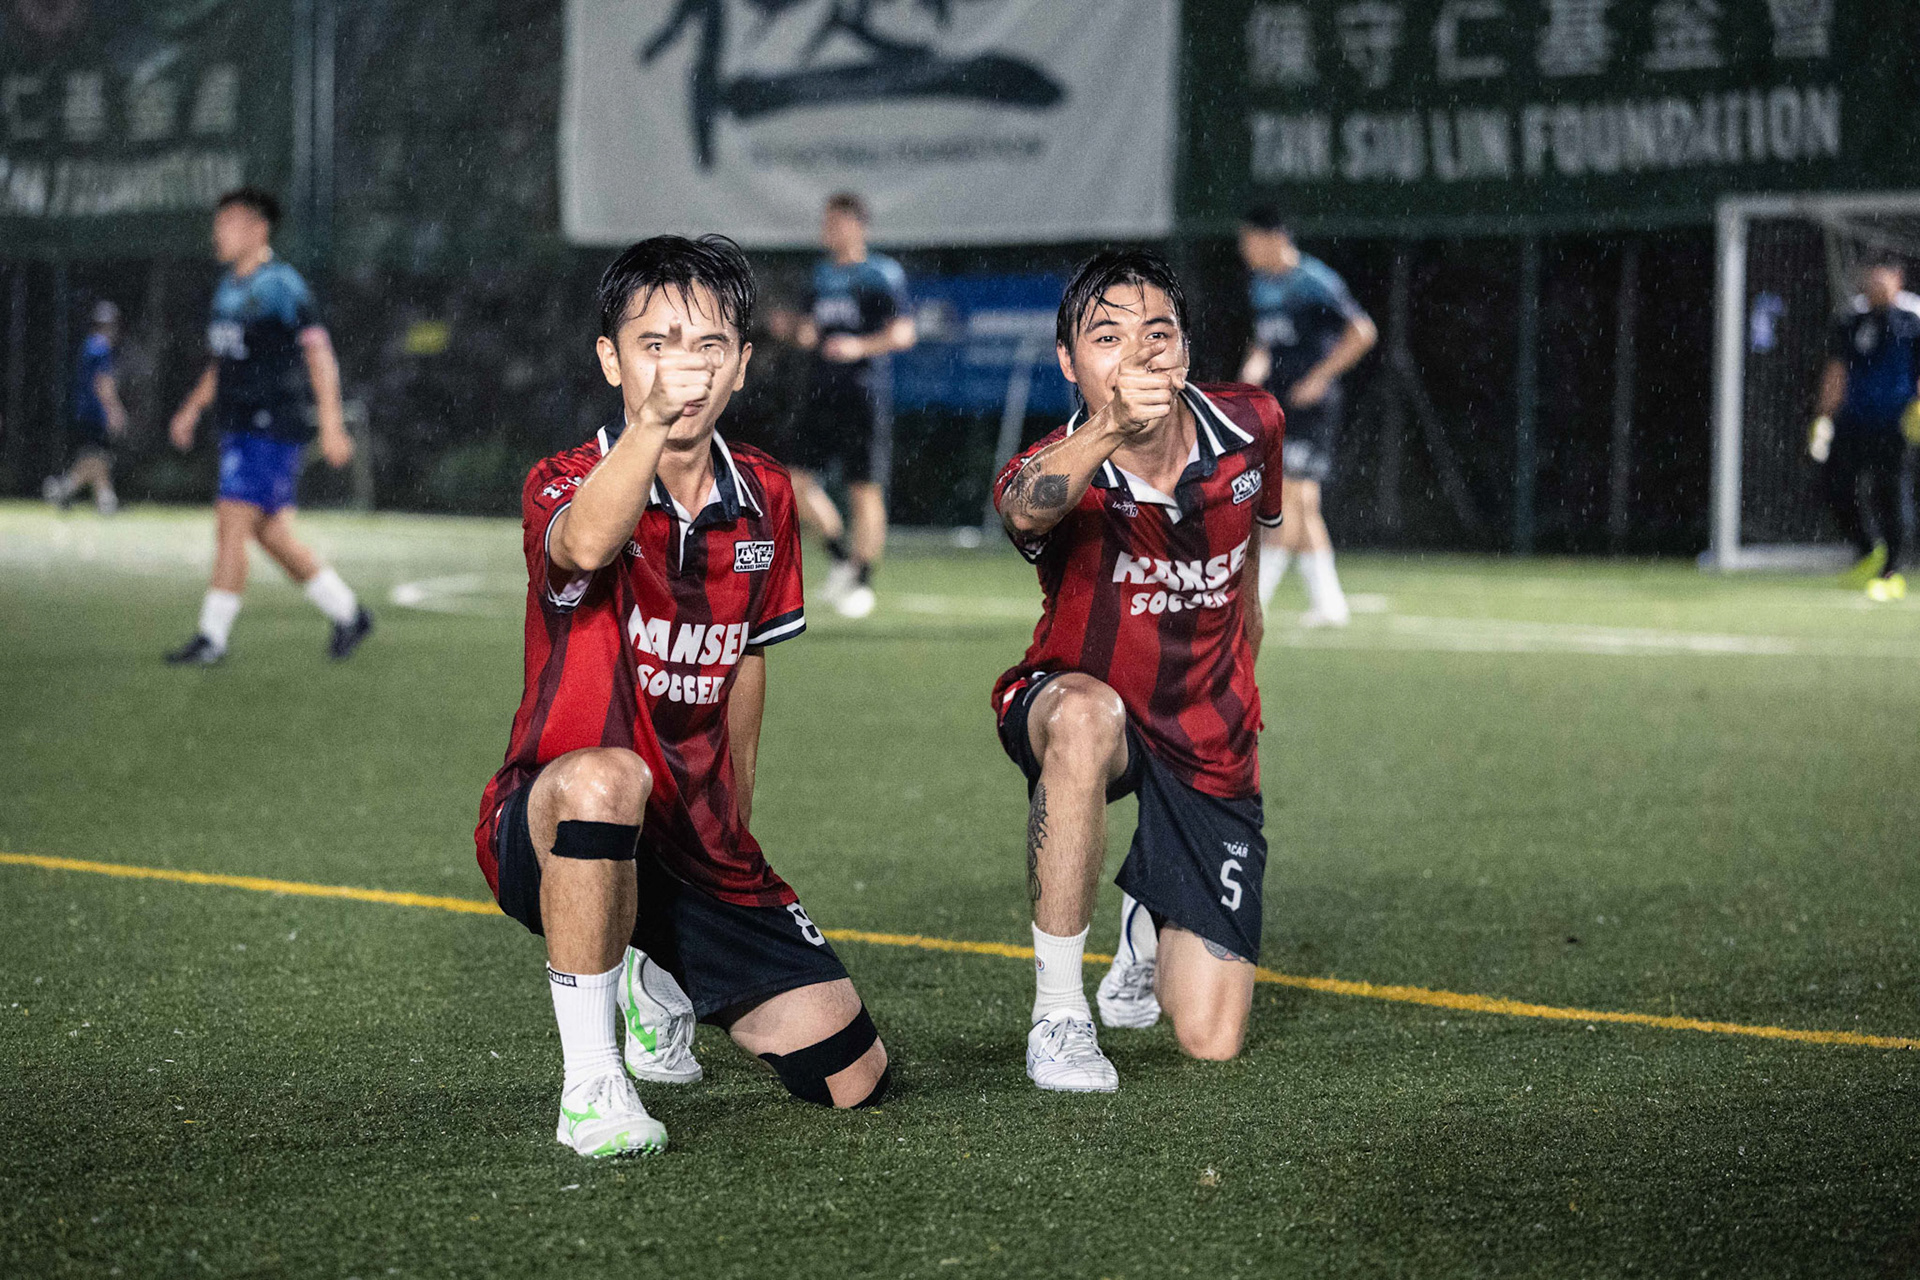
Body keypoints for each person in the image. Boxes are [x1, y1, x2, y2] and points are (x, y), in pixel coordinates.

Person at [474, 235, 890, 1159]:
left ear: (741, 364)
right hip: (551, 820)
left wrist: (732, 827)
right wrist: (649, 431)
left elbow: (745, 666)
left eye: (708, 345)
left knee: (851, 1076)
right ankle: (592, 1083)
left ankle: (654, 966)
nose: (683, 368)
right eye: (656, 343)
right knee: (605, 781)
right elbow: (583, 550)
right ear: (610, 359)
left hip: (691, 840)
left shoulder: (768, 498)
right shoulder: (566, 479)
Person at [990, 248, 1283, 1092]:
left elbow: (1246, 584)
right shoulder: (1061, 466)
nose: (1141, 352)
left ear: (1186, 349)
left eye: (1160, 332)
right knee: (1085, 718)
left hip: (1204, 730)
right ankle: (1058, 1016)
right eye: (1107, 336)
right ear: (1070, 364)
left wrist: (1242, 710)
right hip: (1077, 701)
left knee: (1211, 1037)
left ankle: (1147, 910)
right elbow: (1019, 509)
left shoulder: (1252, 425)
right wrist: (1113, 425)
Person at [163, 187, 372, 664]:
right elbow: (225, 361)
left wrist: (332, 424)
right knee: (270, 534)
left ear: (259, 228)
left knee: (231, 522)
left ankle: (211, 638)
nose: (218, 232)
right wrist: (192, 407)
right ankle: (349, 613)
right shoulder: (228, 288)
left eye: (229, 222)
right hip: (238, 425)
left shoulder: (281, 285)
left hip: (271, 425)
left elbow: (319, 354)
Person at [1236, 209, 1375, 627]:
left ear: (1274, 238)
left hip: (1312, 407)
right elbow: (1265, 342)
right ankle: (1331, 606)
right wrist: (1253, 370)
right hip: (1278, 404)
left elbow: (1362, 332)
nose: (1245, 250)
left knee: (1288, 497)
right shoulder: (1260, 286)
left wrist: (1319, 378)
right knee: (1304, 502)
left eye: (1250, 241)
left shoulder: (1314, 281)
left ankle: (1256, 599)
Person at [785, 192, 915, 619]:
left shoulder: (881, 274)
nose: (829, 230)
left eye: (837, 222)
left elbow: (903, 334)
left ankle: (862, 582)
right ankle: (841, 558)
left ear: (859, 226)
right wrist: (798, 332)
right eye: (827, 222)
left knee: (864, 488)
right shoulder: (819, 276)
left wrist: (858, 346)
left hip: (863, 395)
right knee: (795, 483)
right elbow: (808, 328)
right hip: (820, 393)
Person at [1809, 257, 1920, 601]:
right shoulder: (1850, 318)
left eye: (1882, 276)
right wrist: (1823, 418)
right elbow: (1837, 370)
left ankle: (1893, 572)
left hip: (1896, 423)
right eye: (1870, 276)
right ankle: (1867, 550)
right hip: (1853, 421)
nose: (1875, 283)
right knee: (1834, 485)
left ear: (1897, 278)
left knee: (1891, 492)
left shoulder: (1913, 317)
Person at [43, 300, 128, 515]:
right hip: (94, 413)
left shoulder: (89, 344)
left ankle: (104, 499)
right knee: (97, 456)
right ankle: (64, 488)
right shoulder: (101, 347)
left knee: (97, 457)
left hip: (84, 410)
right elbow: (103, 383)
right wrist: (114, 410)